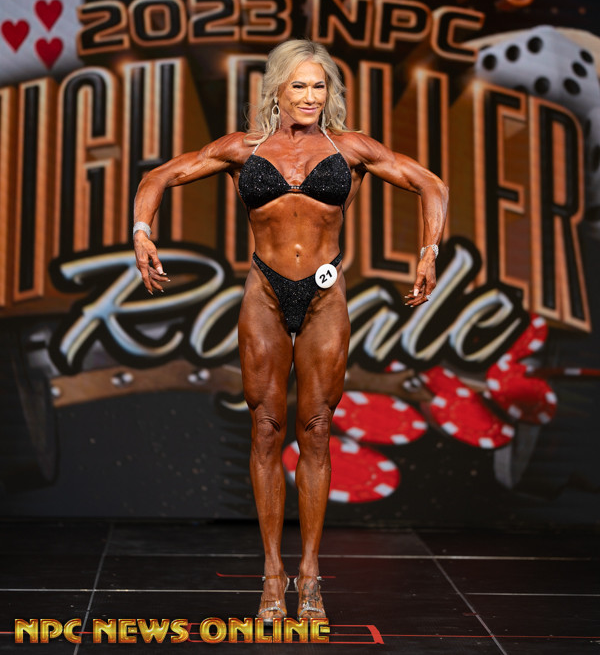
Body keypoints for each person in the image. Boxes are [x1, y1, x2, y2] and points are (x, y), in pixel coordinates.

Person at [132, 39, 448, 625]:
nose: (309, 96)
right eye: (299, 85)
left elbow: (431, 184)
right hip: (265, 294)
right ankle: (273, 572)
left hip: (325, 296)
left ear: (330, 93)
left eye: (319, 86)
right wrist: (142, 234)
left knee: (318, 429)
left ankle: (311, 573)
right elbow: (159, 177)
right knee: (266, 428)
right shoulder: (243, 148)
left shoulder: (350, 148)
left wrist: (429, 251)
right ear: (277, 88)